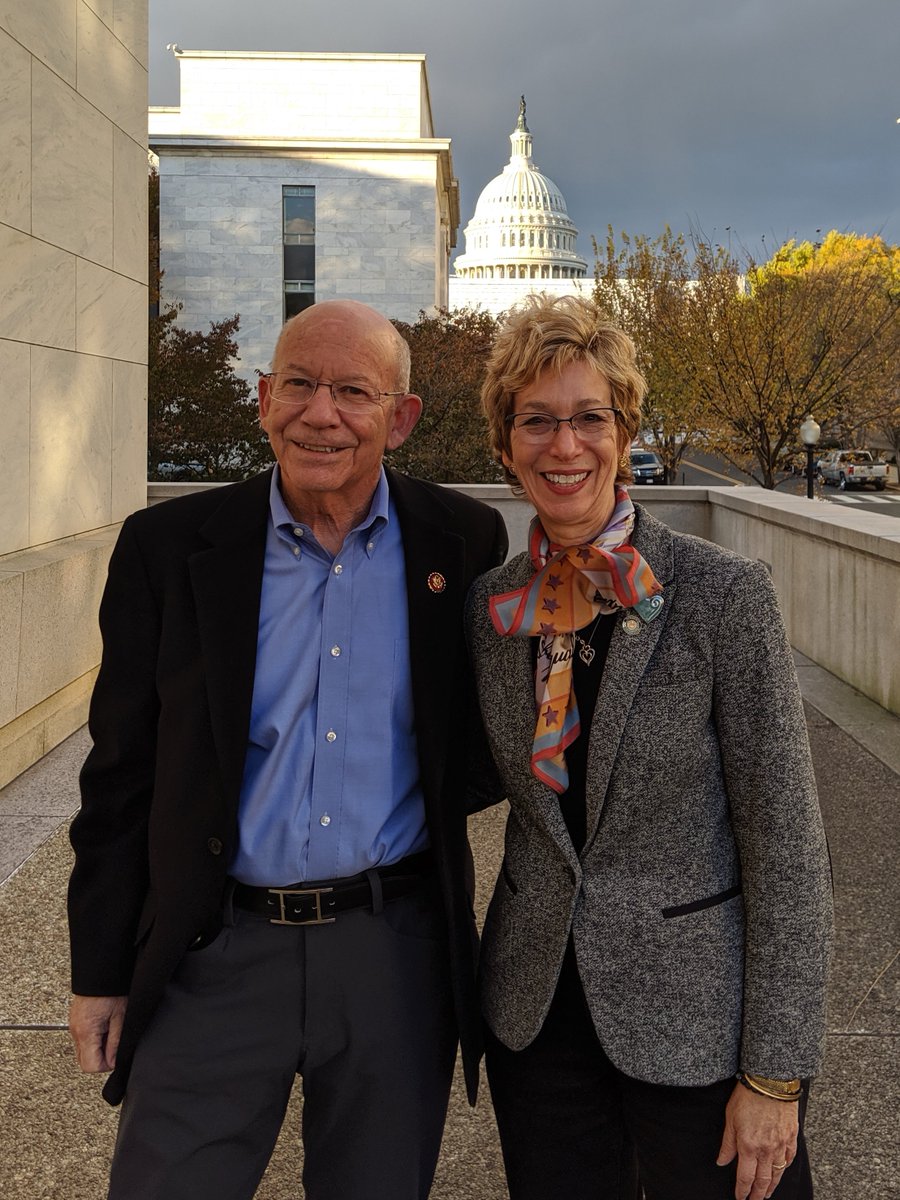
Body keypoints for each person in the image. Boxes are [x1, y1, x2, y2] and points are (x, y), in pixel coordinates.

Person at [67, 299, 508, 1200]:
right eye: (299, 384)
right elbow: (120, 773)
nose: (322, 413)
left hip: (393, 955)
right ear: (264, 399)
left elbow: (478, 743)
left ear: (402, 416)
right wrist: (100, 969)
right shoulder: (167, 547)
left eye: (354, 391)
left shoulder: (464, 543)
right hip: (212, 950)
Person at [466, 294, 833, 1200]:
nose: (565, 446)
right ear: (506, 446)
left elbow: (787, 849)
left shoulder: (721, 596)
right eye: (537, 421)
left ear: (626, 430)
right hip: (538, 1022)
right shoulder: (492, 610)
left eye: (590, 418)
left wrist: (776, 1074)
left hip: (698, 1029)